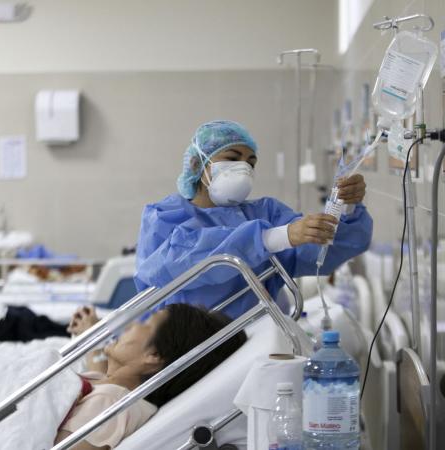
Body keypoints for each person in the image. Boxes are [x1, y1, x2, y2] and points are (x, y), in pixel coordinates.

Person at [135, 120, 373, 318]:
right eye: (232, 159)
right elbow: (172, 265)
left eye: (250, 163)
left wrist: (346, 206)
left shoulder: (267, 213)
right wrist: (271, 238)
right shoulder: (164, 216)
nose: (243, 169)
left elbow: (323, 250)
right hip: (189, 348)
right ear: (197, 164)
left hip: (260, 341)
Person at [55, 303, 247, 449]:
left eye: (145, 324)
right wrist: (90, 334)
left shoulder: (109, 404)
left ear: (154, 356)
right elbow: (98, 374)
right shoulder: (112, 390)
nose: (131, 325)